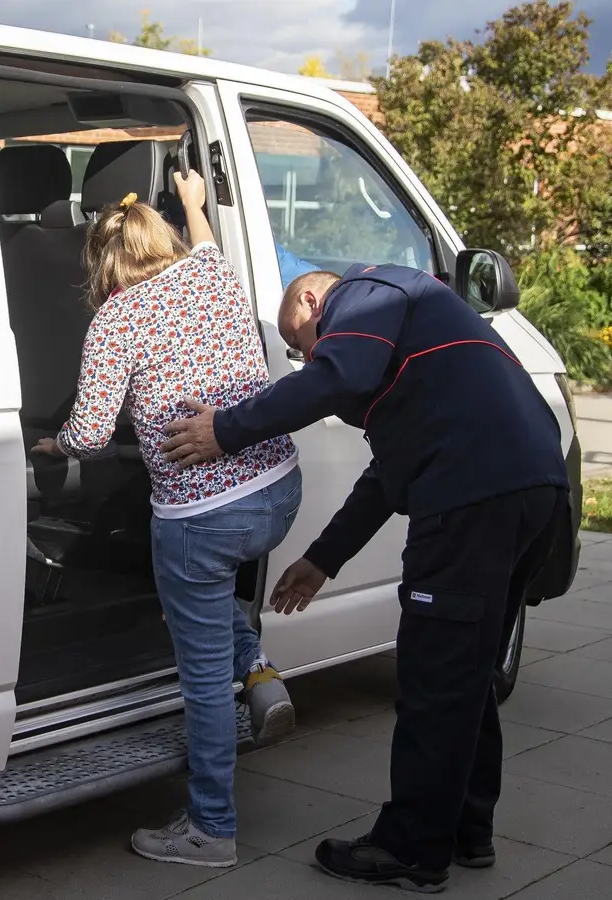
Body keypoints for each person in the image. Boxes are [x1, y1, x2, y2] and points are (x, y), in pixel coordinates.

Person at [159, 264, 569, 892]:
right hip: (533, 490)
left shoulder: (368, 296)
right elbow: (386, 473)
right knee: (467, 667)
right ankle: (466, 829)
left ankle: (411, 849)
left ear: (313, 299)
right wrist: (323, 559)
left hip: (471, 497)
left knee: (434, 675)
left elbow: (335, 376)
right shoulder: (416, 338)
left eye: (299, 344)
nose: (304, 360)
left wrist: (226, 428)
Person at [31, 172, 301, 868]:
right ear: (169, 241)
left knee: (203, 670)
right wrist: (193, 204)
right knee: (210, 602)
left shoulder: (115, 319)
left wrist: (55, 441)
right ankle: (260, 671)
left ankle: (210, 829)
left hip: (201, 517)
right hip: (276, 492)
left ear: (102, 265)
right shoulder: (212, 275)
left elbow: (91, 435)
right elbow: (206, 242)